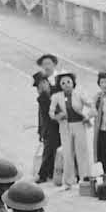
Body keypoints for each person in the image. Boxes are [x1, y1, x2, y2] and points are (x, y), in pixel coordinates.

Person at [50, 73, 94, 188]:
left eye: (68, 82)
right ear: (60, 85)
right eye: (63, 83)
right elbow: (51, 113)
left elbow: (92, 105)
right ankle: (68, 181)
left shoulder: (79, 94)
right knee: (67, 153)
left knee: (82, 152)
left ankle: (84, 178)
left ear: (73, 82)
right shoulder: (56, 97)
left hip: (79, 125)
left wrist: (87, 116)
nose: (66, 85)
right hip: (65, 127)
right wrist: (58, 117)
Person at [34, 52, 61, 183]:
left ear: (54, 64)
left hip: (59, 118)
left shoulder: (59, 79)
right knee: (49, 146)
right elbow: (42, 110)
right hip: (48, 121)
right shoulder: (41, 81)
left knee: (57, 146)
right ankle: (46, 173)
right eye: (44, 64)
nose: (46, 66)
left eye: (49, 63)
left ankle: (49, 172)